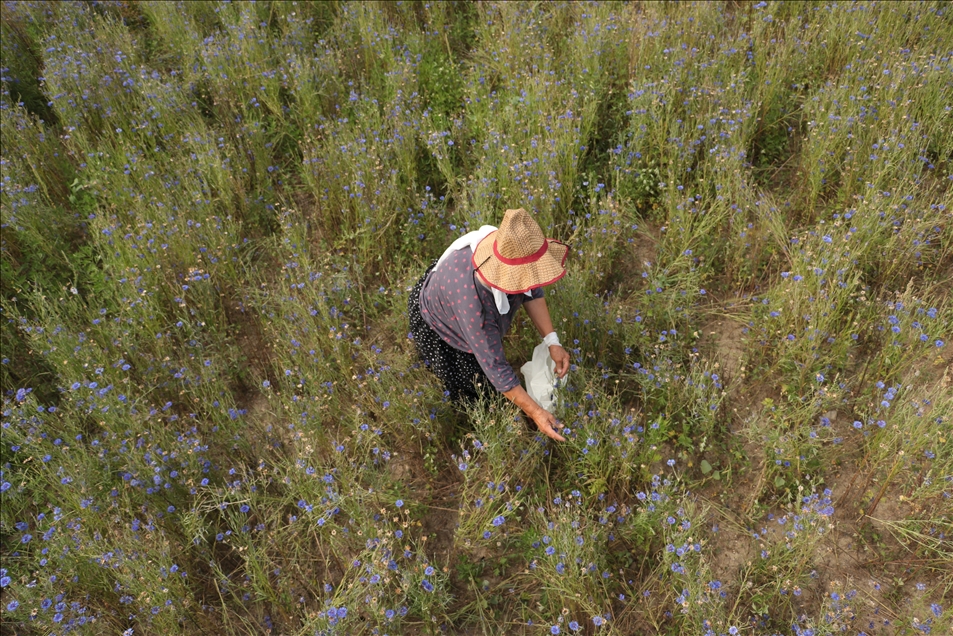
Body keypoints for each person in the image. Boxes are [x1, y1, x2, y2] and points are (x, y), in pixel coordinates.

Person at [408, 208, 570, 442]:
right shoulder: (474, 307)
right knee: (477, 387)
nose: (532, 281)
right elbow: (496, 367)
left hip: (450, 288)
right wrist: (536, 412)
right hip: (440, 323)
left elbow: (531, 288)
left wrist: (552, 341)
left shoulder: (507, 248)